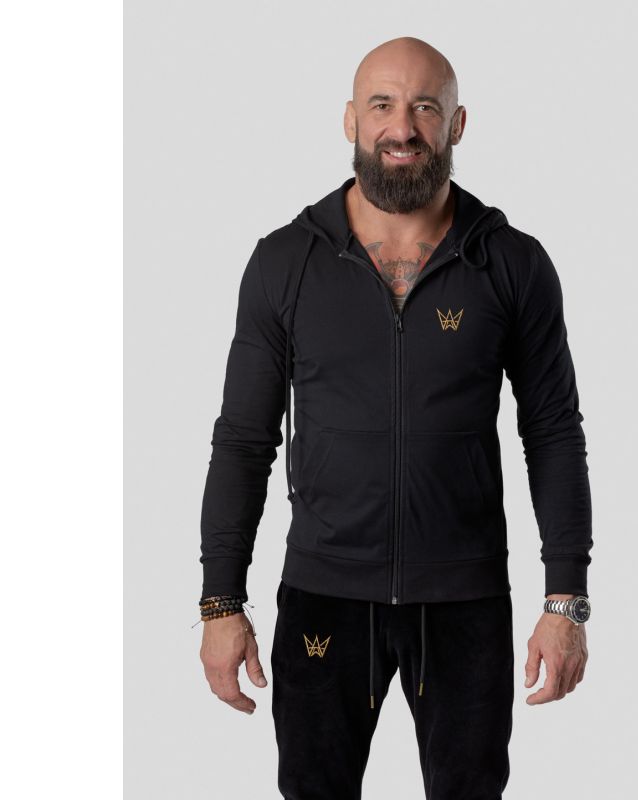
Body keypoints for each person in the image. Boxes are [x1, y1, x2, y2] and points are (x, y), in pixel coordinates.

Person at [198, 36, 593, 800]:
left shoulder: (512, 264)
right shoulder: (286, 262)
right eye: (382, 104)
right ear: (351, 118)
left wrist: (565, 600)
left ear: (458, 123)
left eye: (425, 108)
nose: (402, 127)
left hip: (465, 601)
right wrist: (221, 601)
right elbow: (243, 442)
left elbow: (552, 432)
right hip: (324, 592)